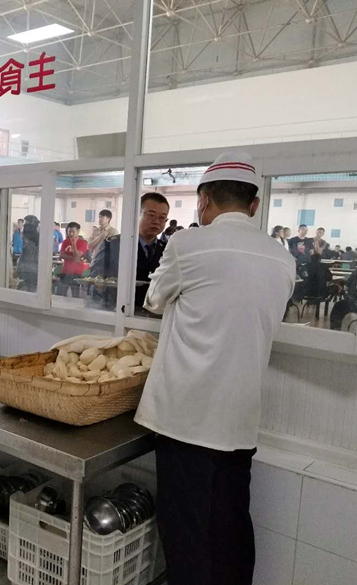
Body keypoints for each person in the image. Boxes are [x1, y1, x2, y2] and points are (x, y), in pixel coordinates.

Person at [135, 152, 295, 585]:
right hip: (239, 421)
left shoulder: (187, 244)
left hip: (185, 421)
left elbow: (154, 301)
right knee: (230, 529)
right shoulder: (283, 259)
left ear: (203, 201)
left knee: (186, 534)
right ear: (254, 205)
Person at [136, 193, 169, 307]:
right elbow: (98, 281)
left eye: (162, 218)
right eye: (151, 215)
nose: (156, 222)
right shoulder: (116, 245)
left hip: (156, 313)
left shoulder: (168, 249)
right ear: (136, 214)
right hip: (121, 311)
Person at [57, 222, 87, 297]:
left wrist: (73, 244)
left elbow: (78, 255)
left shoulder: (82, 243)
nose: (71, 234)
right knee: (60, 294)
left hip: (77, 272)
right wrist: (73, 258)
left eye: (73, 232)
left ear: (78, 231)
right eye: (69, 231)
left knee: (75, 295)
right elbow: (61, 255)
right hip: (65, 271)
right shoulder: (65, 242)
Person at [17, 215, 40, 292]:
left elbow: (27, 256)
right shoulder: (37, 236)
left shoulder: (30, 241)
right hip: (32, 270)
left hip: (29, 271)